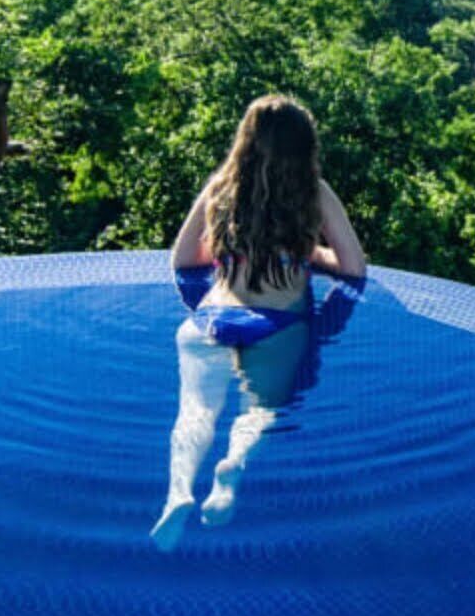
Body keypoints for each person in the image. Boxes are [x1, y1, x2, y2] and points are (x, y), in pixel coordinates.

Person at [152, 94, 366, 551]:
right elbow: (353, 269)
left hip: (209, 319)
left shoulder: (221, 188)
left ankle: (179, 492)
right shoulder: (315, 193)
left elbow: (183, 260)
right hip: (276, 325)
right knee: (264, 410)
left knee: (194, 412)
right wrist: (308, 256)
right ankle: (233, 465)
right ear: (305, 145)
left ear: (245, 141)